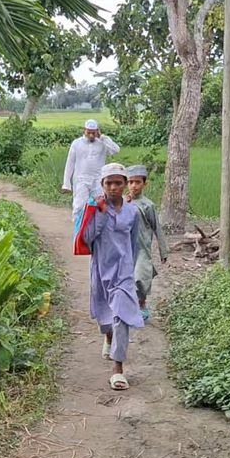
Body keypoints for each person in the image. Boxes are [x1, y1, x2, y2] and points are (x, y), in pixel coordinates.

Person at [81, 163, 144, 391]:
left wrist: (131, 269)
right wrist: (100, 213)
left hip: (124, 272)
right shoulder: (94, 209)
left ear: (125, 184)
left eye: (118, 183)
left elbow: (134, 242)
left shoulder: (132, 212)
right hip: (100, 268)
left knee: (121, 316)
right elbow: (87, 239)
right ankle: (108, 338)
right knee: (105, 313)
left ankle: (118, 370)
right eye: (109, 183)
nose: (114, 187)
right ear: (102, 185)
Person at [125, 165, 168, 322]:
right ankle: (129, 308)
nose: (134, 186)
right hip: (126, 249)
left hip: (142, 248)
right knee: (126, 279)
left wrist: (164, 251)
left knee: (140, 277)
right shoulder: (122, 203)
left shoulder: (148, 205)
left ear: (145, 184)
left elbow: (157, 227)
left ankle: (142, 304)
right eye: (130, 182)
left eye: (137, 182)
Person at [62, 119, 120, 225]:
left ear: (97, 131)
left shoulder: (102, 143)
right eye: (89, 132)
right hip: (81, 179)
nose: (91, 135)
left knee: (100, 205)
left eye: (93, 132)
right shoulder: (77, 143)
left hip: (98, 180)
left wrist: (102, 137)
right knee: (79, 206)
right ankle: (78, 230)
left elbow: (116, 150)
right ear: (84, 130)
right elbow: (70, 163)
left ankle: (97, 230)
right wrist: (66, 183)